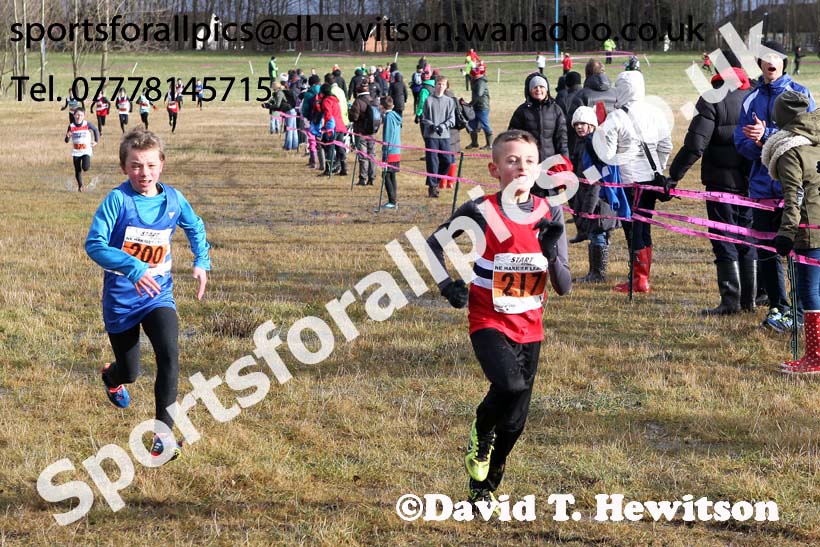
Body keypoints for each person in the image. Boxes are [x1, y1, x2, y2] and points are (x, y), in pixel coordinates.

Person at [425, 129, 570, 510]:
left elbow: (564, 286)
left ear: (538, 167)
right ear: (494, 168)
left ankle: (484, 487)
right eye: (511, 160)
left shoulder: (550, 211)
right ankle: (480, 429)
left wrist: (551, 248)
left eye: (528, 160)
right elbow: (432, 246)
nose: (521, 167)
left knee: (516, 420)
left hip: (530, 325)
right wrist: (446, 285)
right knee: (507, 385)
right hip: (487, 317)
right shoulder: (481, 210)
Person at [85, 127, 210, 462]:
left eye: (151, 165)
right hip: (122, 300)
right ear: (124, 168)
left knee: (170, 356)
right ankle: (112, 377)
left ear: (162, 165)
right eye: (137, 166)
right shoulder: (118, 200)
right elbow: (94, 245)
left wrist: (201, 261)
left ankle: (162, 438)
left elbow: (195, 227)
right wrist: (134, 268)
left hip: (158, 296)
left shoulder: (173, 199)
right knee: (131, 372)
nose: (145, 173)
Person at [734, 40, 816, 332]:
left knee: (796, 249)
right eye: (765, 58)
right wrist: (759, 145)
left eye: (776, 58)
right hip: (761, 190)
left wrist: (766, 135)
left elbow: (808, 135)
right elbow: (740, 141)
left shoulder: (801, 94)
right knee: (767, 252)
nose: (771, 63)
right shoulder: (750, 99)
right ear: (759, 64)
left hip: (793, 189)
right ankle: (778, 308)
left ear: (783, 63)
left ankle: (798, 308)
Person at [669, 51, 755, 315]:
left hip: (722, 185)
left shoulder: (711, 98)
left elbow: (696, 144)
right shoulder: (755, 95)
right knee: (750, 239)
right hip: (753, 185)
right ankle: (748, 301)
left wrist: (673, 176)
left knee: (724, 239)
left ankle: (731, 301)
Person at [596, 70, 672, 293]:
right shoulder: (656, 113)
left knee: (632, 230)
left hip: (628, 182)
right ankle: (641, 277)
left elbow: (608, 155)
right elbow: (665, 145)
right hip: (650, 180)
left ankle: (639, 279)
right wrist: (658, 167)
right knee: (645, 227)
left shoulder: (615, 117)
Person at [765, 91, 820, 373]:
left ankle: (815, 357)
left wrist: (786, 233)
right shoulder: (816, 140)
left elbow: (794, 195)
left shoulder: (790, 151)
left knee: (810, 292)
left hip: (810, 230)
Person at [570, 106, 626, 283]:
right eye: (577, 124)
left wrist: (587, 208)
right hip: (599, 197)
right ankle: (596, 271)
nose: (579, 127)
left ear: (592, 125)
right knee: (600, 233)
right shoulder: (587, 142)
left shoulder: (593, 145)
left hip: (600, 199)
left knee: (598, 234)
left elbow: (595, 180)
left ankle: (597, 273)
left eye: (583, 123)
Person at [508, 74, 568, 177]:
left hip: (550, 163)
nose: (538, 90)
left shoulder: (556, 110)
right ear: (529, 90)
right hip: (529, 164)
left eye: (541, 87)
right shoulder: (522, 111)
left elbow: (562, 138)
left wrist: (564, 161)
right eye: (535, 87)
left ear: (547, 89)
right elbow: (512, 136)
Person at [421, 75, 456, 198]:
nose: (441, 86)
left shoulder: (449, 101)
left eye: (443, 84)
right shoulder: (428, 100)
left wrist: (443, 126)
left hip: (444, 135)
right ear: (435, 85)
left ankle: (435, 181)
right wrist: (432, 126)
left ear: (446, 86)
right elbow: (424, 117)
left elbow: (452, 119)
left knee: (447, 160)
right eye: (439, 84)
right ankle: (432, 187)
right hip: (431, 136)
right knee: (432, 162)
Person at [349, 83, 378, 186]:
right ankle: (372, 178)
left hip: (361, 132)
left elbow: (354, 118)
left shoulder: (358, 102)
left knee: (363, 156)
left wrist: (350, 111)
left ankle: (362, 178)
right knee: (372, 155)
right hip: (372, 132)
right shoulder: (373, 100)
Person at [64, 108, 99, 192]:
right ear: (74, 115)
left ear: (84, 116)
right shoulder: (71, 126)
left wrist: (96, 141)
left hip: (86, 150)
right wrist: (68, 136)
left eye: (81, 115)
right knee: (77, 169)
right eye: (77, 115)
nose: (79, 117)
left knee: (85, 168)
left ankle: (81, 183)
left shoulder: (87, 124)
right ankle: (80, 186)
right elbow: (66, 140)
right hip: (76, 151)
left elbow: (95, 130)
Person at [381, 96, 402, 209]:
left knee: (386, 175)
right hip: (396, 150)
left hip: (390, 151)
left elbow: (388, 135)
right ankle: (393, 200)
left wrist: (385, 152)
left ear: (382, 106)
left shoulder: (389, 117)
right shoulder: (394, 115)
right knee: (391, 175)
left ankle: (392, 201)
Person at [466, 62, 492, 150]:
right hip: (476, 107)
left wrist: (471, 104)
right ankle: (474, 143)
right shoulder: (476, 80)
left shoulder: (481, 82)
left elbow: (479, 94)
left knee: (485, 125)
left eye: (473, 76)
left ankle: (489, 144)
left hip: (482, 107)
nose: (472, 77)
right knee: (471, 124)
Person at [301, 75, 322, 169]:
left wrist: (306, 116)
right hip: (324, 119)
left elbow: (304, 109)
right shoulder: (324, 90)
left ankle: (313, 160)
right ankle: (324, 162)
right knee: (322, 141)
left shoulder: (308, 94)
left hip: (312, 119)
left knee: (312, 140)